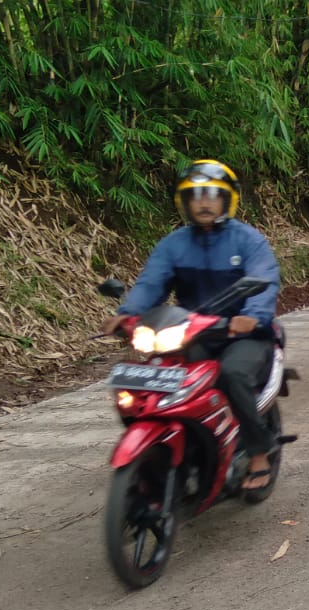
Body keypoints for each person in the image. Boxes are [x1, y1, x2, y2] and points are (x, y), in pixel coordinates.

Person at [103, 159, 282, 492]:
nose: (204, 201)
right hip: (190, 332)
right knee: (155, 379)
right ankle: (168, 446)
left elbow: (265, 279)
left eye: (212, 194)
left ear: (227, 199)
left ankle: (258, 453)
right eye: (196, 195)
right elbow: (150, 283)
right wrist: (128, 313)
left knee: (232, 375)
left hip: (242, 335)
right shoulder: (173, 244)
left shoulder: (248, 241)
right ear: (184, 202)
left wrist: (252, 316)